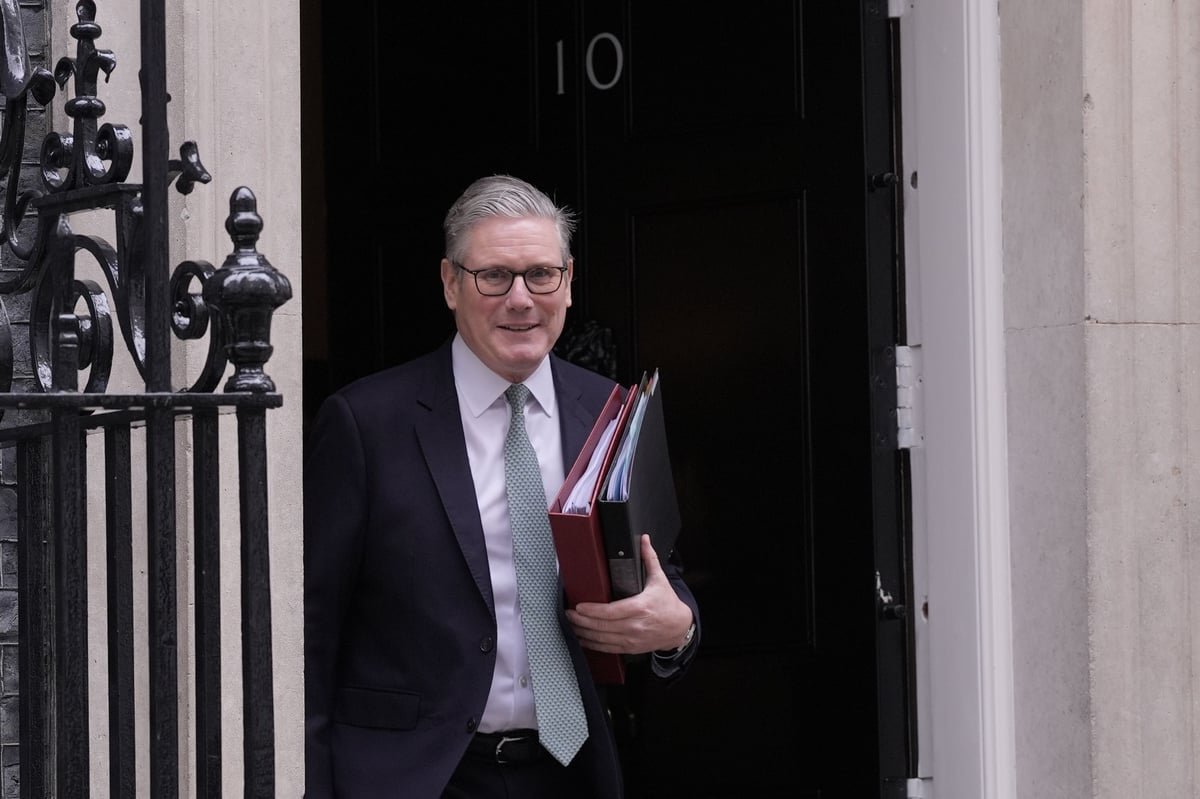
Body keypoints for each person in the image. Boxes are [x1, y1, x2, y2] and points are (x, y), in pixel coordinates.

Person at [304, 174, 700, 798]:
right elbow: (311, 630)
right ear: (449, 284)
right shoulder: (366, 423)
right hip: (417, 777)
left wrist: (677, 628)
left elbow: (661, 574)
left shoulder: (610, 410)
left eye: (541, 274)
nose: (521, 299)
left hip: (570, 772)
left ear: (567, 282)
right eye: (494, 276)